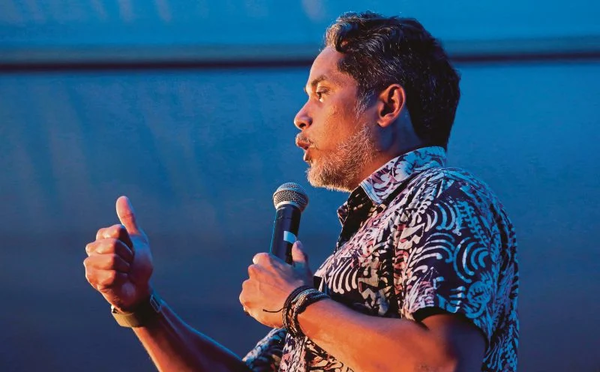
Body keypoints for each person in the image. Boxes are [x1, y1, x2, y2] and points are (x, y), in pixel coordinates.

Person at [83, 11, 519, 372]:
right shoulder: (348, 253)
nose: (300, 115)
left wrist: (297, 303)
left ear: (387, 105)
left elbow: (442, 363)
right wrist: (140, 305)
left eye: (321, 92)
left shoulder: (446, 196)